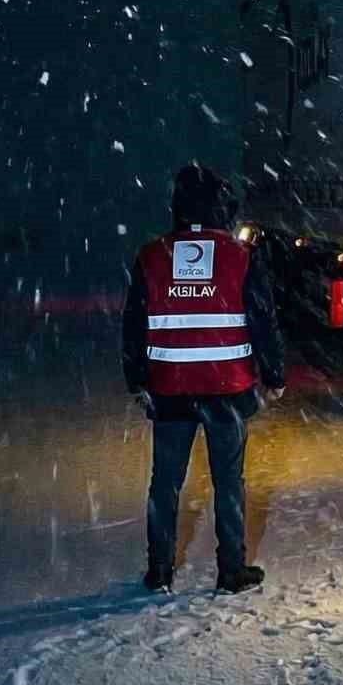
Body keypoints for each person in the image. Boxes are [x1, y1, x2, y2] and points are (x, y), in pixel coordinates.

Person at [122, 163, 284, 594]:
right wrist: (274, 373)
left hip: (170, 388)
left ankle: (159, 571)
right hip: (226, 389)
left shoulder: (151, 256)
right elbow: (262, 321)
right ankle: (231, 571)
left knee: (165, 483)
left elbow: (134, 324)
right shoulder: (240, 256)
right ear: (222, 208)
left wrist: (136, 378)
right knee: (229, 482)